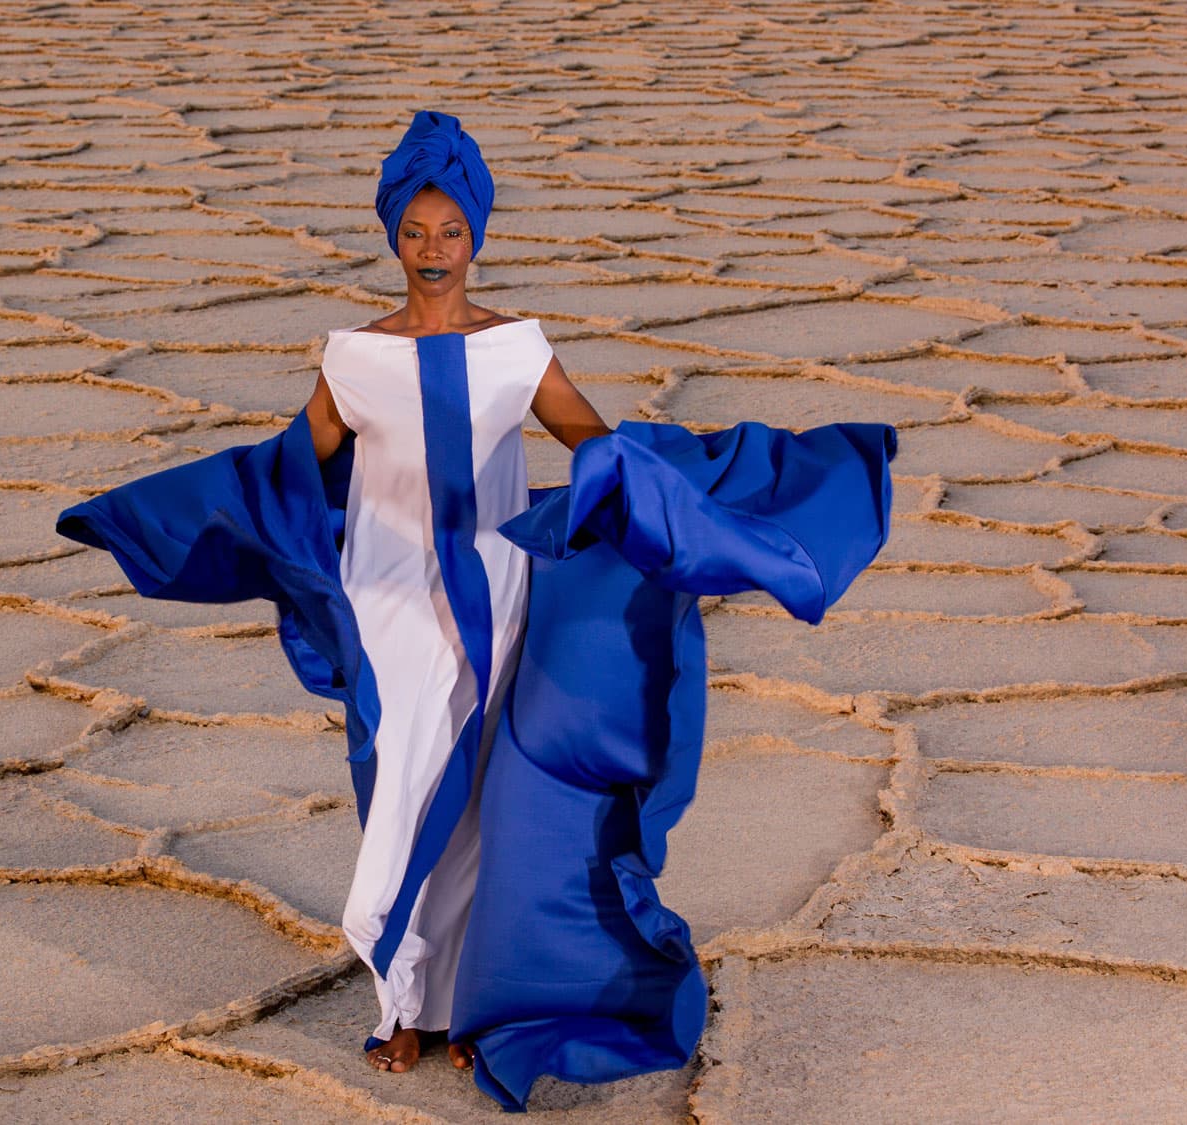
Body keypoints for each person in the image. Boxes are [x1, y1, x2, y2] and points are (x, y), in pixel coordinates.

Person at [58, 110, 897, 1112]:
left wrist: (673, 490)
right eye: (413, 232)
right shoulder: (354, 359)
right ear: (390, 237)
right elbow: (283, 472)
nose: (430, 251)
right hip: (389, 602)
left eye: (449, 232)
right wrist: (164, 520)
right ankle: (398, 1002)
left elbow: (594, 442)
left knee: (478, 802)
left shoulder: (517, 350)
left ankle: (463, 1007)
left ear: (476, 235)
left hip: (493, 595)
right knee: (400, 784)